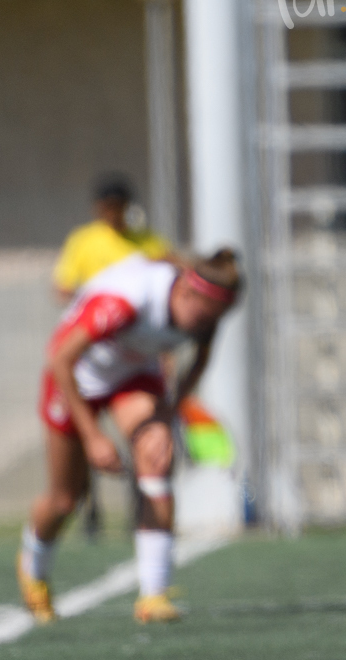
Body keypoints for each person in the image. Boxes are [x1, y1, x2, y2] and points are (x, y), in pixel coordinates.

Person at [17, 248, 242, 626]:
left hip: (132, 376)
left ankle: (154, 595)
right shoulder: (125, 302)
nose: (206, 325)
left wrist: (172, 410)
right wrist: (93, 437)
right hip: (75, 378)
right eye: (204, 317)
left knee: (157, 454)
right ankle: (33, 567)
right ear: (185, 293)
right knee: (64, 499)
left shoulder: (207, 313)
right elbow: (60, 359)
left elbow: (200, 359)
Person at [52, 173, 170, 302]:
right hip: (100, 311)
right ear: (98, 207)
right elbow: (64, 286)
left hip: (138, 312)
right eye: (109, 206)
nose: (113, 213)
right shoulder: (83, 239)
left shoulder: (148, 239)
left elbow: (168, 271)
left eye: (118, 206)